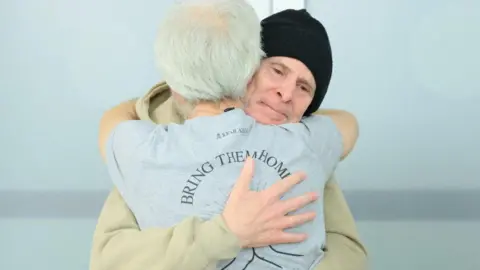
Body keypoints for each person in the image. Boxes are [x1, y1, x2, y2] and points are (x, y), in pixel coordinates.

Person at [90, 6, 367, 270]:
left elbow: (347, 251)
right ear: (245, 68)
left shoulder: (302, 145)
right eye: (277, 70)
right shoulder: (153, 136)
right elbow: (111, 259)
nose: (286, 93)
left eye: (304, 88)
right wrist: (222, 234)